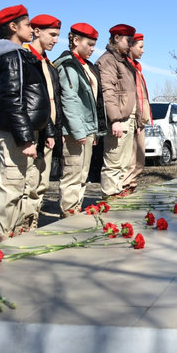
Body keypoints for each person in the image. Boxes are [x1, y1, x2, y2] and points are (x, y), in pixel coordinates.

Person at [0, 4, 51, 242]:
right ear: (13, 27)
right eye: (26, 25)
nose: (31, 29)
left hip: (28, 130)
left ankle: (19, 233)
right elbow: (13, 101)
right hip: (16, 134)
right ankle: (5, 239)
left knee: (26, 184)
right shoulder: (11, 57)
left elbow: (39, 97)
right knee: (12, 185)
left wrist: (48, 130)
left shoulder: (20, 55)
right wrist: (24, 138)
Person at [54, 23, 107, 216]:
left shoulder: (86, 66)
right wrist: (78, 131)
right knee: (72, 174)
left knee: (83, 174)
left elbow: (94, 101)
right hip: (74, 132)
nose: (93, 49)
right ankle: (68, 214)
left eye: (94, 45)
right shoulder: (68, 65)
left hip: (87, 130)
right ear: (75, 41)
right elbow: (70, 99)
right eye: (90, 44)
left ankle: (75, 210)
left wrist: (94, 130)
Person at [23, 14, 63, 230]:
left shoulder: (48, 63)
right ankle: (23, 225)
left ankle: (33, 222)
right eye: (52, 34)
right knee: (28, 182)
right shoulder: (26, 58)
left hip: (48, 131)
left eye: (57, 35)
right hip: (31, 131)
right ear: (36, 32)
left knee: (41, 183)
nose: (56, 40)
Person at [94, 24, 138, 199]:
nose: (130, 44)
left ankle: (117, 194)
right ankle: (110, 197)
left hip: (127, 118)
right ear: (117, 38)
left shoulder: (124, 61)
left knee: (123, 162)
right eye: (128, 40)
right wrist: (115, 119)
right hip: (118, 119)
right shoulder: (108, 61)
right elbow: (107, 91)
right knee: (113, 162)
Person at [123, 32, 152, 194]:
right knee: (130, 161)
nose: (143, 51)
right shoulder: (127, 68)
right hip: (132, 120)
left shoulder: (136, 68)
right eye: (140, 47)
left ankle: (131, 188)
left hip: (140, 121)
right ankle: (125, 191)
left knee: (139, 161)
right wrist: (137, 120)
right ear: (130, 47)